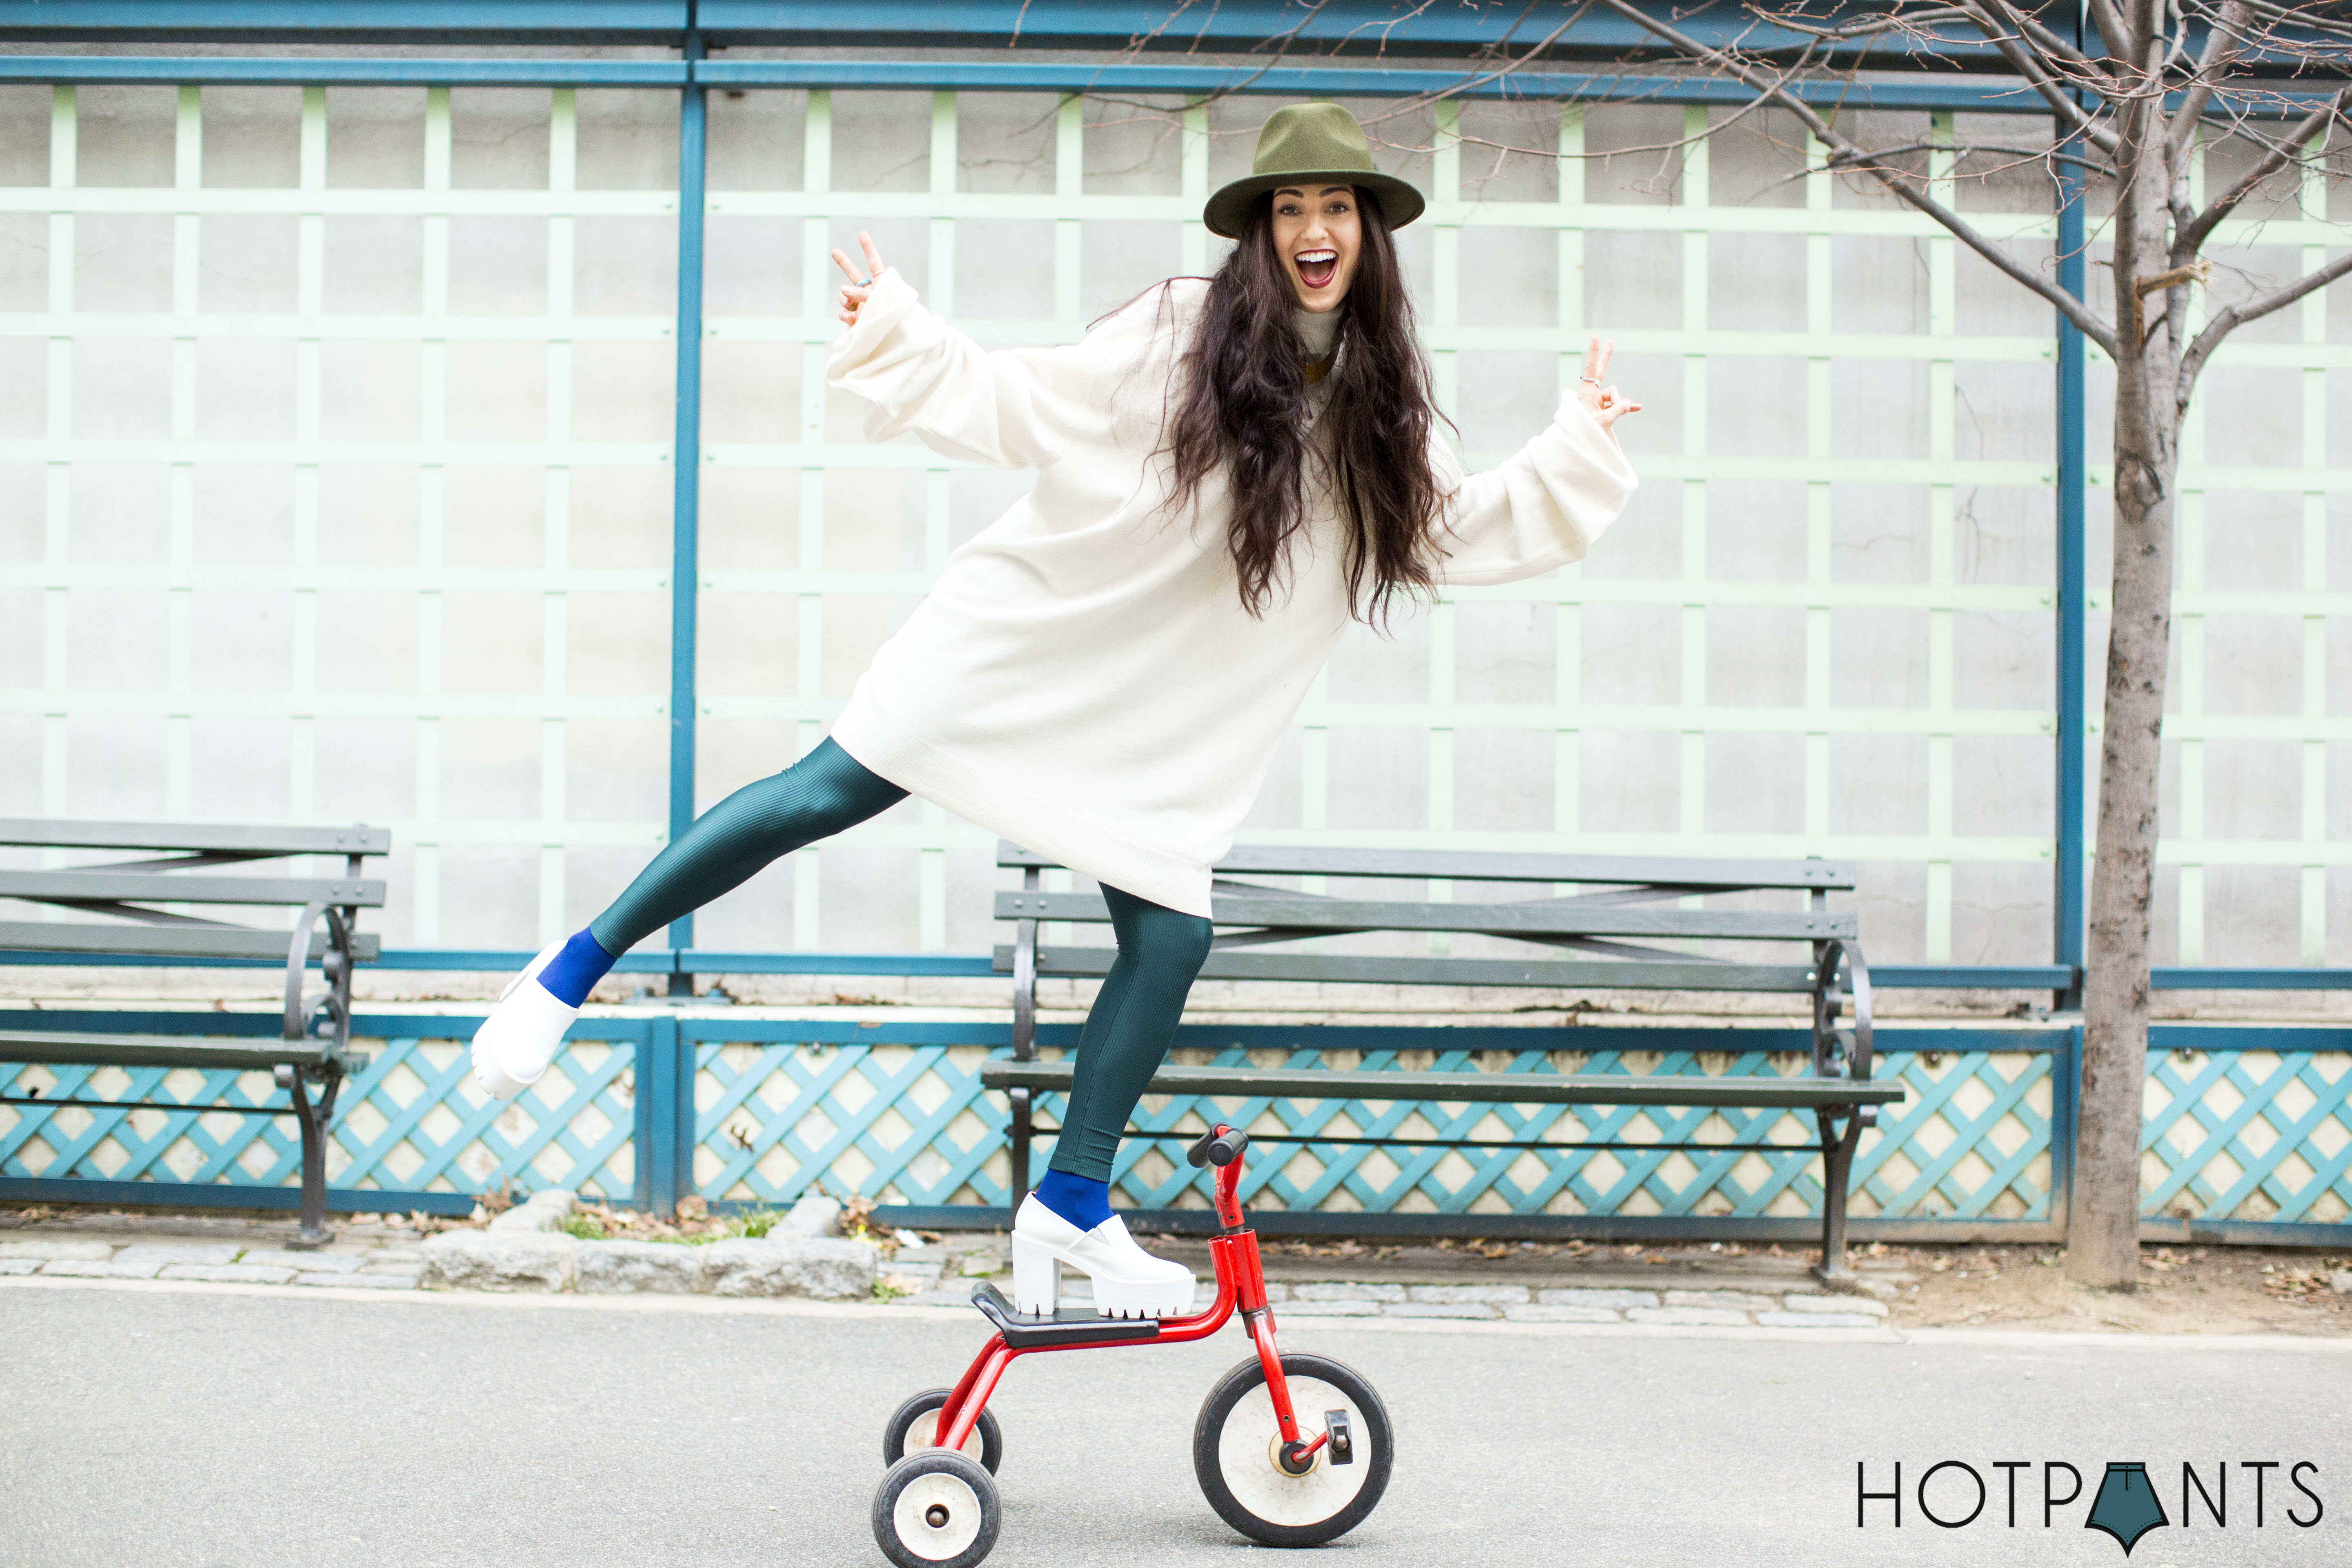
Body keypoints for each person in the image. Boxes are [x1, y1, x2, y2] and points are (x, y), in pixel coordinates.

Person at [468, 102, 1639, 1320]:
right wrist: (906, 338)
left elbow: (1444, 528)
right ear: (1258, 235)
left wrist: (1572, 451)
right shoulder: (1182, 335)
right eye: (1289, 208)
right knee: (822, 793)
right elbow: (1030, 401)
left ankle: (1070, 1203)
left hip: (1156, 711)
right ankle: (571, 967)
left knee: (1172, 937)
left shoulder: (1376, 397)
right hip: (1026, 639)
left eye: (1335, 207)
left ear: (1369, 236)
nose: (1313, 228)